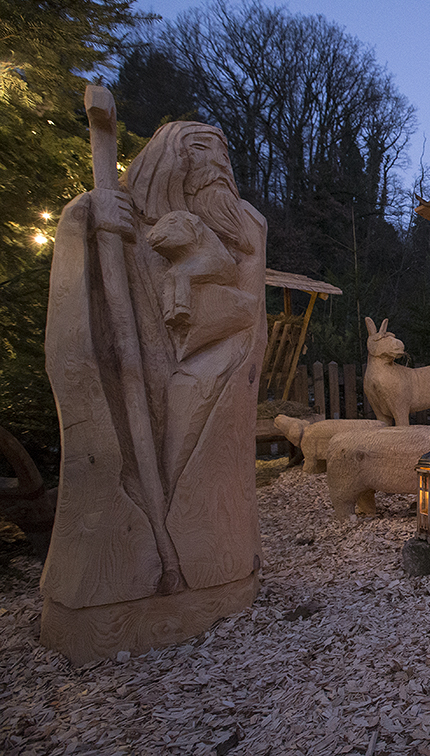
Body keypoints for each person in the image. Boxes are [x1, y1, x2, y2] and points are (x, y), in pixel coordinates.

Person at [41, 121, 266, 619]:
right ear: (165, 159)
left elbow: (249, 314)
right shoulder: (115, 216)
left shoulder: (243, 227)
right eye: (199, 150)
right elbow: (79, 317)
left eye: (222, 153)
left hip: (208, 376)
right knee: (122, 461)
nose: (216, 165)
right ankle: (124, 583)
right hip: (134, 373)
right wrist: (84, 221)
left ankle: (210, 565)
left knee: (201, 471)